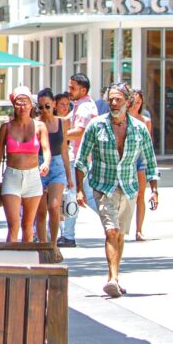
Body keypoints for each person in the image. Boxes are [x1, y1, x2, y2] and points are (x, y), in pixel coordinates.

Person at [74, 83, 156, 298]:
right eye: (110, 99)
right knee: (111, 231)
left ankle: (115, 276)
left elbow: (150, 160)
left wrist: (154, 189)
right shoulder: (96, 126)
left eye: (118, 99)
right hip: (104, 185)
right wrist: (79, 190)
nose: (113, 103)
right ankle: (112, 279)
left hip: (128, 186)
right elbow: (81, 160)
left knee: (119, 234)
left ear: (128, 102)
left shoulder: (139, 128)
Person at [0, 87, 46, 243]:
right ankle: (10, 258)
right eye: (19, 103)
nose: (22, 107)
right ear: (13, 105)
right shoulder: (6, 127)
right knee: (13, 226)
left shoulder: (40, 126)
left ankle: (28, 258)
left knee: (28, 226)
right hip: (12, 176)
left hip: (33, 177)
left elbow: (46, 149)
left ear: (31, 105)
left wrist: (46, 163)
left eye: (25, 103)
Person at [61, 73, 98, 249]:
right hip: (82, 158)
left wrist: (58, 136)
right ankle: (113, 225)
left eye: (72, 88)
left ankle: (68, 236)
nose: (69, 90)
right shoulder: (80, 105)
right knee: (86, 196)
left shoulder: (84, 108)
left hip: (80, 159)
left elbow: (79, 131)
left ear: (83, 90)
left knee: (73, 195)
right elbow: (66, 121)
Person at [128, 89, 161, 241]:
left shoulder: (145, 121)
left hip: (140, 159)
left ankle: (139, 230)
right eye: (134, 102)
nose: (136, 105)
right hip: (125, 159)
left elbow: (148, 146)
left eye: (139, 102)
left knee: (140, 195)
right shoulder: (121, 119)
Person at [35, 87, 67, 246]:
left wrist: (69, 176)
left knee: (54, 207)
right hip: (38, 165)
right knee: (40, 211)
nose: (44, 110)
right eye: (40, 107)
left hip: (57, 165)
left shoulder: (62, 122)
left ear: (54, 104)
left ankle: (53, 245)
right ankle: (42, 244)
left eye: (47, 106)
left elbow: (64, 149)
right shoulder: (35, 123)